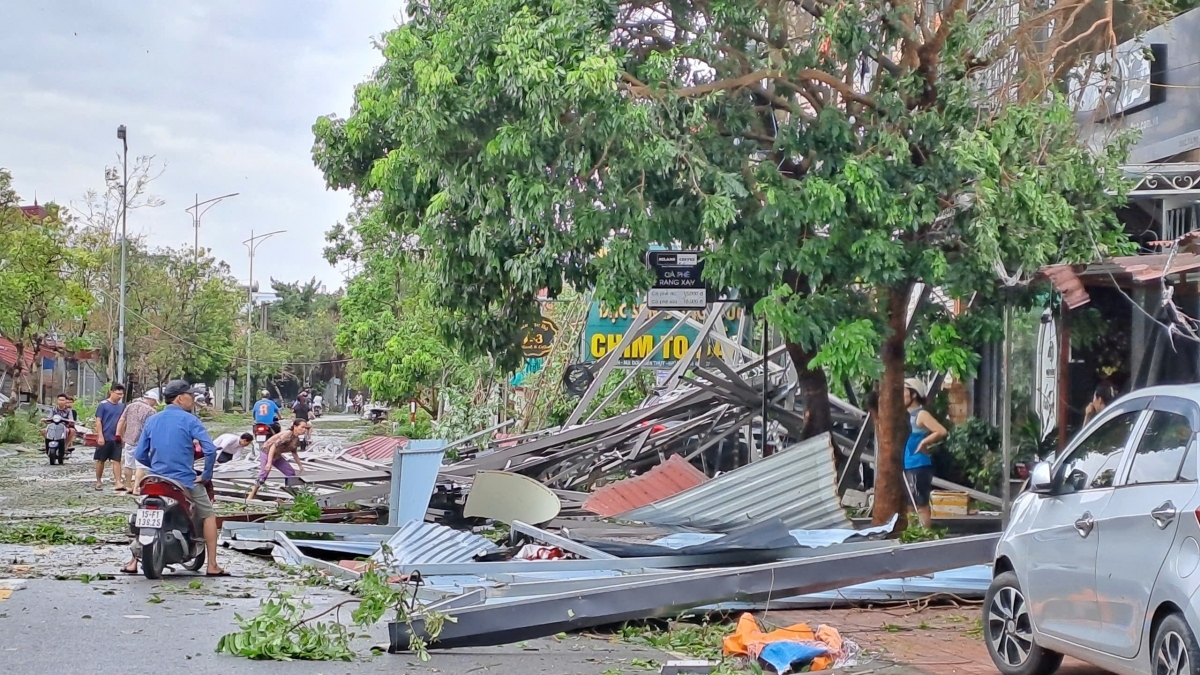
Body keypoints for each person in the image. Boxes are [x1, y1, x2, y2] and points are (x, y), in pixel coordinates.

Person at [127, 379, 226, 576]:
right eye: (191, 395)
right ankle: (212, 565)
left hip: (154, 480)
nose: (193, 399)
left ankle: (132, 561)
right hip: (184, 481)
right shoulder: (190, 420)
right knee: (208, 514)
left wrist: (157, 467)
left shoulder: (152, 419)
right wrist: (206, 475)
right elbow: (210, 450)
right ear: (181, 398)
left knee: (144, 510)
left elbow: (139, 455)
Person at [902, 377, 947, 529]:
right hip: (906, 465)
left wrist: (924, 442)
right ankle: (912, 535)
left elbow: (941, 430)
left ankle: (924, 537)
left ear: (913, 395)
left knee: (920, 504)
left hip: (918, 465)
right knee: (909, 505)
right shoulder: (903, 415)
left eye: (904, 391)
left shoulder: (921, 415)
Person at [245, 419, 307, 502]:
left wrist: (300, 466)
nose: (304, 429)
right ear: (295, 427)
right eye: (302, 427)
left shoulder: (296, 438)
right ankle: (250, 497)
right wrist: (269, 463)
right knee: (264, 473)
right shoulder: (287, 434)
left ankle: (293, 494)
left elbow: (294, 452)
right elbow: (273, 446)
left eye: (305, 428)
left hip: (277, 455)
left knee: (290, 473)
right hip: (267, 452)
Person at [117, 389, 159, 495]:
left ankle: (128, 486)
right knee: (141, 466)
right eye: (155, 402)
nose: (155, 404)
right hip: (142, 441)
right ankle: (136, 488)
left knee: (128, 464)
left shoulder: (130, 406)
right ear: (152, 400)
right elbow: (152, 428)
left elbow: (122, 420)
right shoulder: (151, 411)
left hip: (129, 439)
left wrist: (119, 435)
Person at [95, 384, 127, 492]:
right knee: (101, 460)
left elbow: (123, 422)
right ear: (111, 392)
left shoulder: (122, 406)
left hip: (116, 437)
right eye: (118, 394)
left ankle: (118, 481)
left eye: (121, 394)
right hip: (105, 436)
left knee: (117, 459)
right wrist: (100, 435)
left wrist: (122, 436)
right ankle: (98, 480)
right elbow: (98, 421)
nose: (119, 396)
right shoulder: (103, 405)